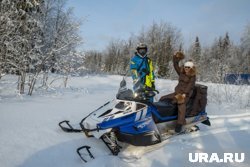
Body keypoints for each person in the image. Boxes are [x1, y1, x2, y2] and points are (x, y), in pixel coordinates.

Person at [160, 51, 196, 133]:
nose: (186, 69)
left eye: (188, 67)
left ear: (191, 68)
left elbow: (190, 86)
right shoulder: (182, 73)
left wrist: (184, 94)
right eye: (185, 67)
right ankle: (164, 118)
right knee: (163, 98)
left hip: (185, 94)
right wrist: (175, 57)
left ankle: (180, 124)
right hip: (177, 92)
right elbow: (175, 65)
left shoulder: (192, 76)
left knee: (180, 104)